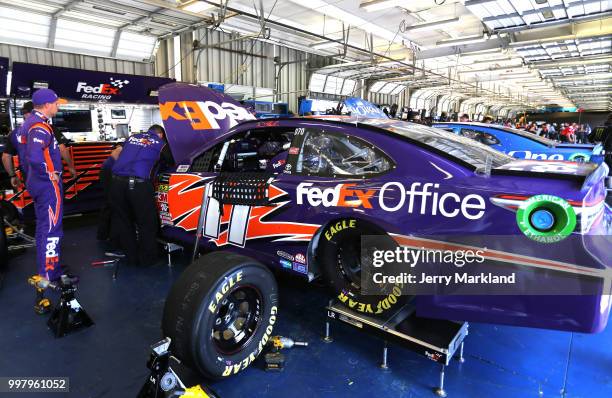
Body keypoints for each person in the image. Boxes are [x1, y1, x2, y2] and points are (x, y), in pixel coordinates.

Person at [24, 89, 75, 301]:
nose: (58, 106)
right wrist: (50, 173)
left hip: (37, 184)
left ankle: (45, 268)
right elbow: (35, 157)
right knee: (52, 230)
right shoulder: (39, 126)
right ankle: (49, 275)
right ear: (46, 105)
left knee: (44, 229)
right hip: (47, 186)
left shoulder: (33, 123)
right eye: (56, 103)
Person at [110, 125, 174, 266]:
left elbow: (118, 154)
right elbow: (172, 161)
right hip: (138, 184)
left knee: (124, 221)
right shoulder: (161, 144)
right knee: (147, 223)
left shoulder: (131, 138)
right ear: (161, 134)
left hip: (115, 183)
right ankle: (148, 260)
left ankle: (131, 258)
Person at [97, 143, 124, 257]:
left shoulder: (123, 147)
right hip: (109, 172)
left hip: (107, 171)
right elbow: (116, 155)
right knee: (113, 206)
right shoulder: (121, 148)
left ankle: (103, 234)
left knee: (108, 205)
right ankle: (112, 240)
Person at [2, 101, 33, 189]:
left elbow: (5, 157)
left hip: (29, 176)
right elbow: (61, 149)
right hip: (50, 175)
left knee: (38, 199)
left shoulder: (14, 133)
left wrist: (12, 176)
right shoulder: (48, 129)